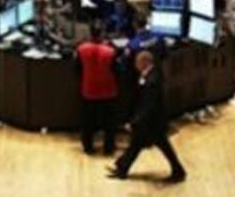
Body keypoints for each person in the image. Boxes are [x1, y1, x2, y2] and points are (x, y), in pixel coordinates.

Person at [109, 50, 186, 183]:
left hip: (152, 122)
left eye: (137, 63)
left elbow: (148, 106)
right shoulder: (152, 73)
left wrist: (134, 121)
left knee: (158, 146)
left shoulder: (152, 81)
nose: (135, 66)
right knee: (137, 145)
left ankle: (178, 170)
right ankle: (122, 168)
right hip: (152, 120)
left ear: (145, 62)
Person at [76, 24, 119, 155]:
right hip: (108, 90)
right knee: (109, 123)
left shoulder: (81, 49)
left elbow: (76, 69)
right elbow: (117, 70)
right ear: (102, 34)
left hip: (89, 89)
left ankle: (88, 147)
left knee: (87, 121)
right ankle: (108, 147)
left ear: (90, 34)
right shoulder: (110, 51)